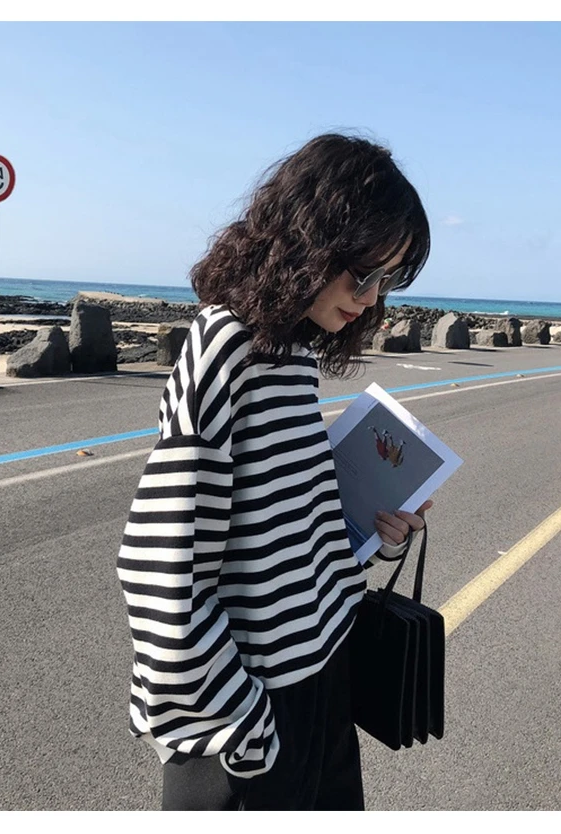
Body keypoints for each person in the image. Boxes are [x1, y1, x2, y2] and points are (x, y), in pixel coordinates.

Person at [116, 133, 433, 811]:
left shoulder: (290, 355)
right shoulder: (228, 346)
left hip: (321, 685)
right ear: (310, 241)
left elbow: (286, 544)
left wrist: (384, 534)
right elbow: (157, 572)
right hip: (255, 718)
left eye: (388, 281)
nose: (372, 301)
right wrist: (247, 729)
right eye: (363, 274)